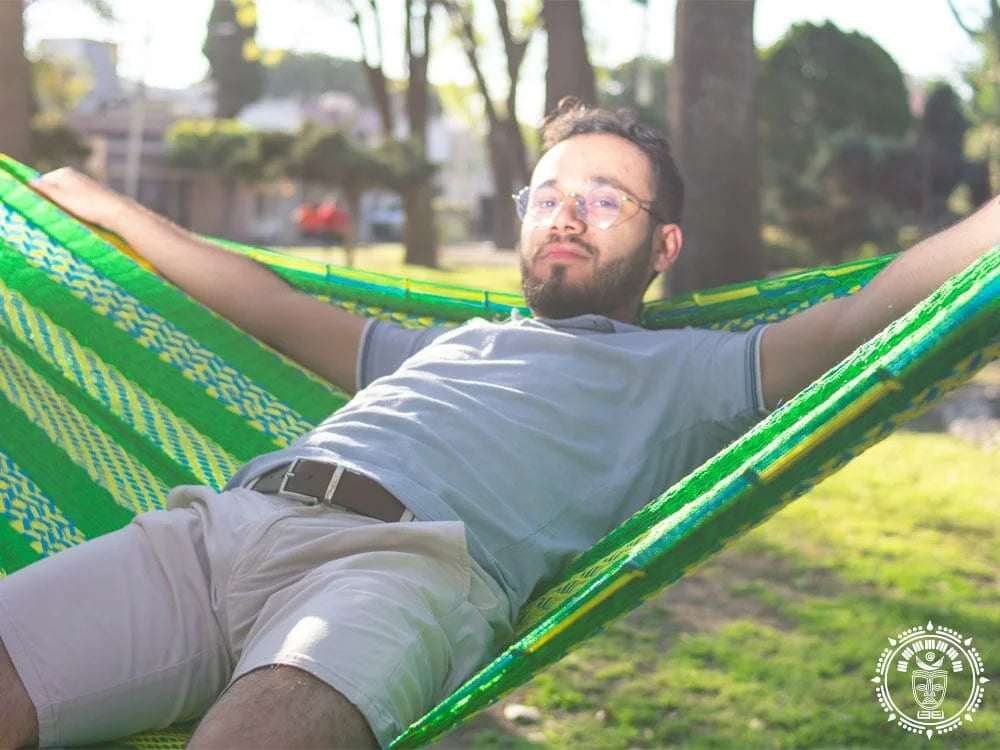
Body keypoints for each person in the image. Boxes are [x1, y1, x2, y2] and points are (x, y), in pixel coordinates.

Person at [0, 98, 995, 749]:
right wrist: (110, 212)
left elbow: (870, 312)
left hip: (400, 569)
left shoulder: (689, 373)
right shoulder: (430, 345)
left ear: (664, 244)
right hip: (219, 528)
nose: (567, 214)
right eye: (549, 194)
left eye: (606, 199)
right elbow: (259, 298)